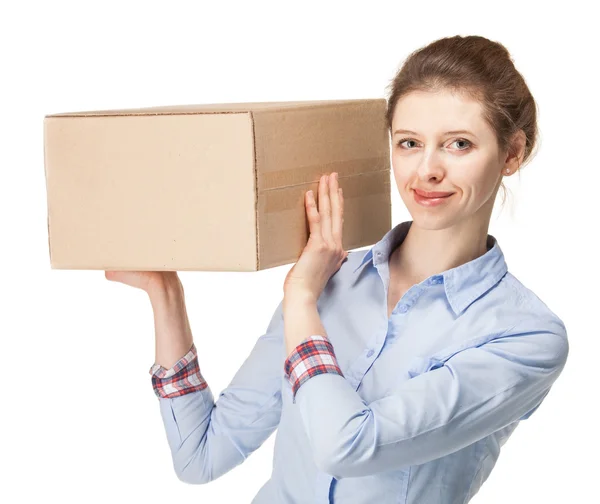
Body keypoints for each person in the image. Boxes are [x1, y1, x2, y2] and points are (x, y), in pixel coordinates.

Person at [106, 34, 569, 503]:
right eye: (409, 142)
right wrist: (164, 293)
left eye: (458, 144)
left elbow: (348, 446)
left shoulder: (526, 338)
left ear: (512, 154)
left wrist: (302, 300)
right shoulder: (333, 281)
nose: (426, 170)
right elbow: (200, 456)